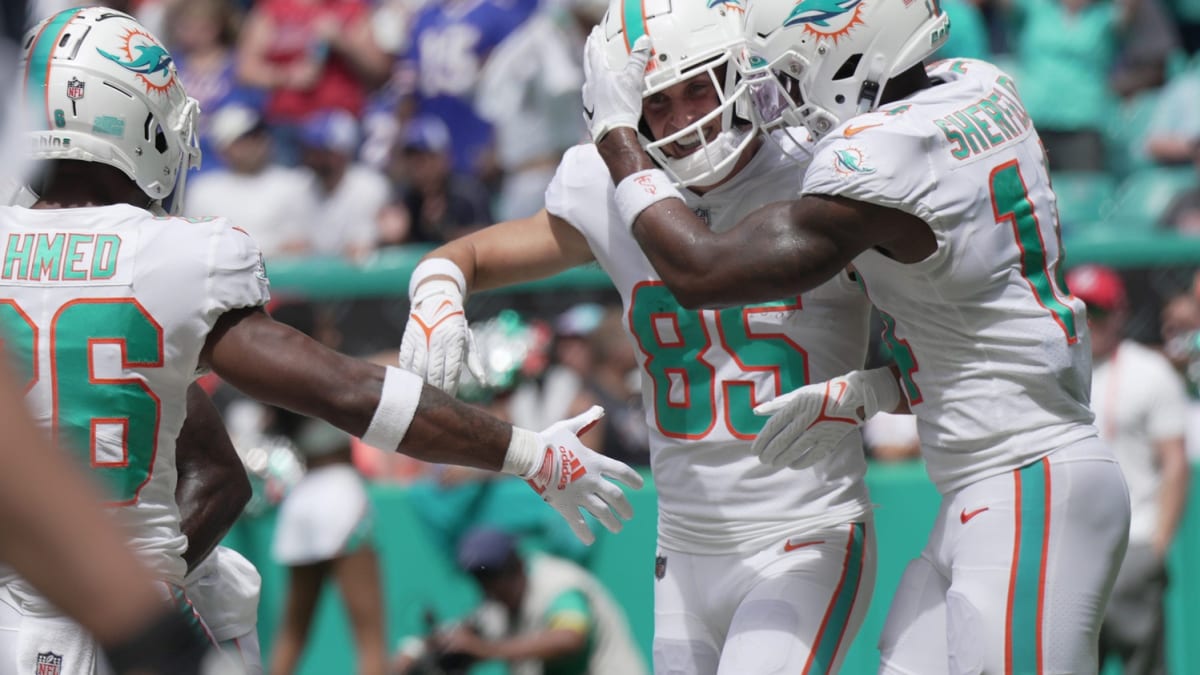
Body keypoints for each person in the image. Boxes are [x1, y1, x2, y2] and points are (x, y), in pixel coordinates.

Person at [3, 7, 642, 673]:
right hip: (121, 637)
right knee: (228, 593)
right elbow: (349, 391)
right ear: (131, 118)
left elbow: (218, 472)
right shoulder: (173, 259)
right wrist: (531, 453)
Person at [580, 0, 1131, 671]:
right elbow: (969, 310)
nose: (779, 91)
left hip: (1028, 480)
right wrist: (875, 388)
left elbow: (701, 271)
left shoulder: (880, 154)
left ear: (849, 50)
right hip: (997, 479)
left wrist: (616, 132)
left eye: (790, 68)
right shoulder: (977, 83)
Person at [399, 3, 877, 672]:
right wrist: (438, 287)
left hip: (805, 532)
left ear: (739, 72)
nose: (685, 119)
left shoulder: (815, 165)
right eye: (658, 101)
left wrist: (871, 391)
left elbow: (935, 337)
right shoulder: (601, 184)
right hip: (681, 547)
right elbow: (469, 255)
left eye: (699, 87)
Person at [0, 5, 223, 673]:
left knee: (227, 582)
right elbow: (222, 472)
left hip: (44, 611)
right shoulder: (161, 257)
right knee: (229, 585)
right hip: (79, 612)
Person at [1067, 265, 1190, 675]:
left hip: (1134, 542)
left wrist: (1158, 544)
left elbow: (1174, 463)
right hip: (1072, 550)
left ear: (1119, 313)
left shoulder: (1147, 371)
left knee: (1144, 665)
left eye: (1098, 311)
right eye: (1081, 311)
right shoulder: (1055, 372)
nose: (1089, 323)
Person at [391, 527, 647, 675]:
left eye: (490, 577)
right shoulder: (494, 607)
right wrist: (416, 649)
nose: (485, 587)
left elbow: (570, 638)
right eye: (479, 579)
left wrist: (487, 649)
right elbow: (460, 635)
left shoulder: (558, 585)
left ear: (516, 566)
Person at [269, 420, 386, 675]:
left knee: (293, 630)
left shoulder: (282, 388)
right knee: (370, 638)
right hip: (340, 495)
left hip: (300, 497)